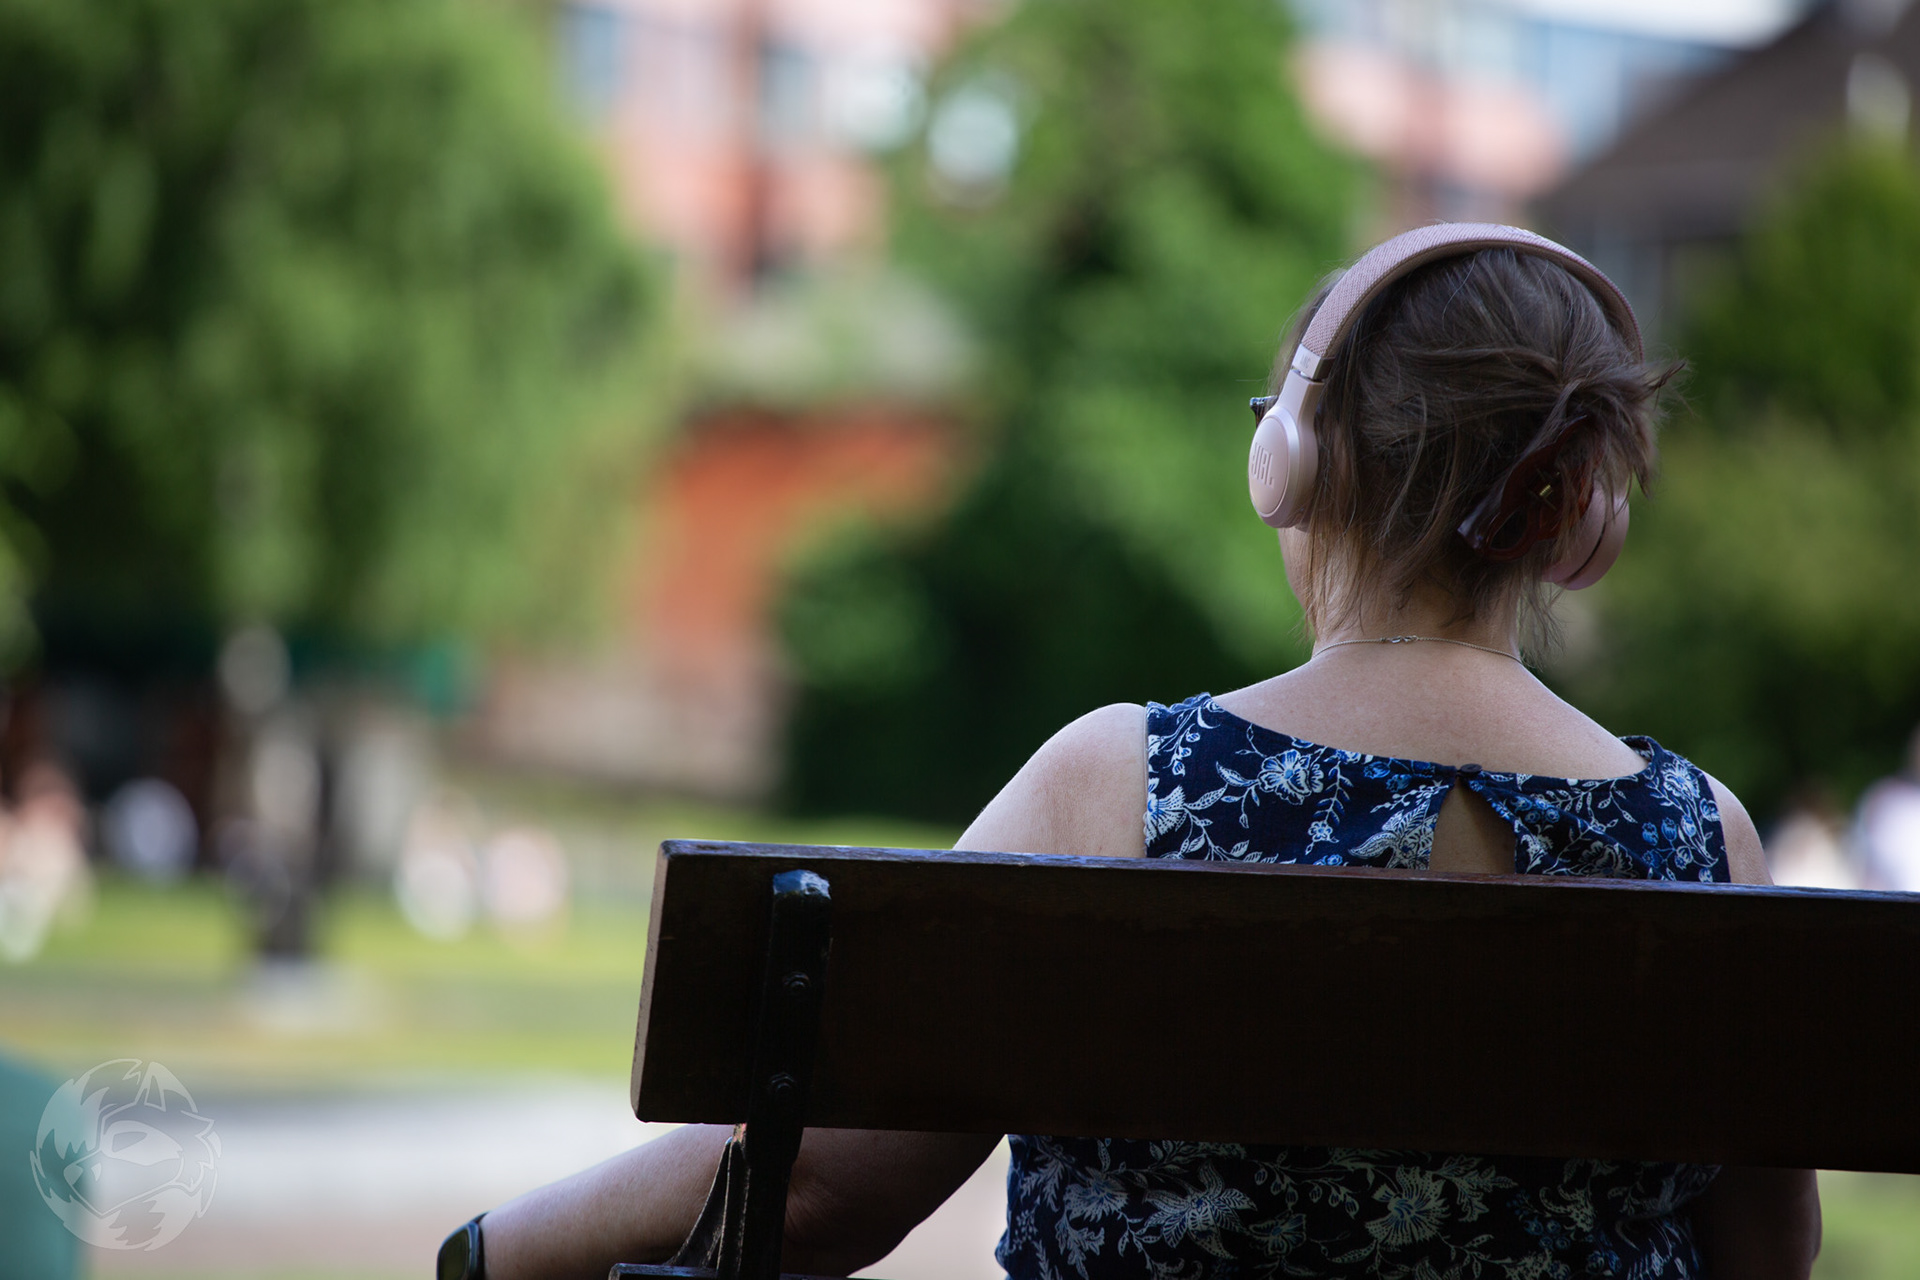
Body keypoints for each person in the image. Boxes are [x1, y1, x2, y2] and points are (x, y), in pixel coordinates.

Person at [461, 226, 1822, 1279]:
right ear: (1578, 511)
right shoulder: (1702, 837)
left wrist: (491, 1252)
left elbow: (821, 1193)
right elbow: (1767, 1257)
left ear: (1298, 459)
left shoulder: (1123, 785)